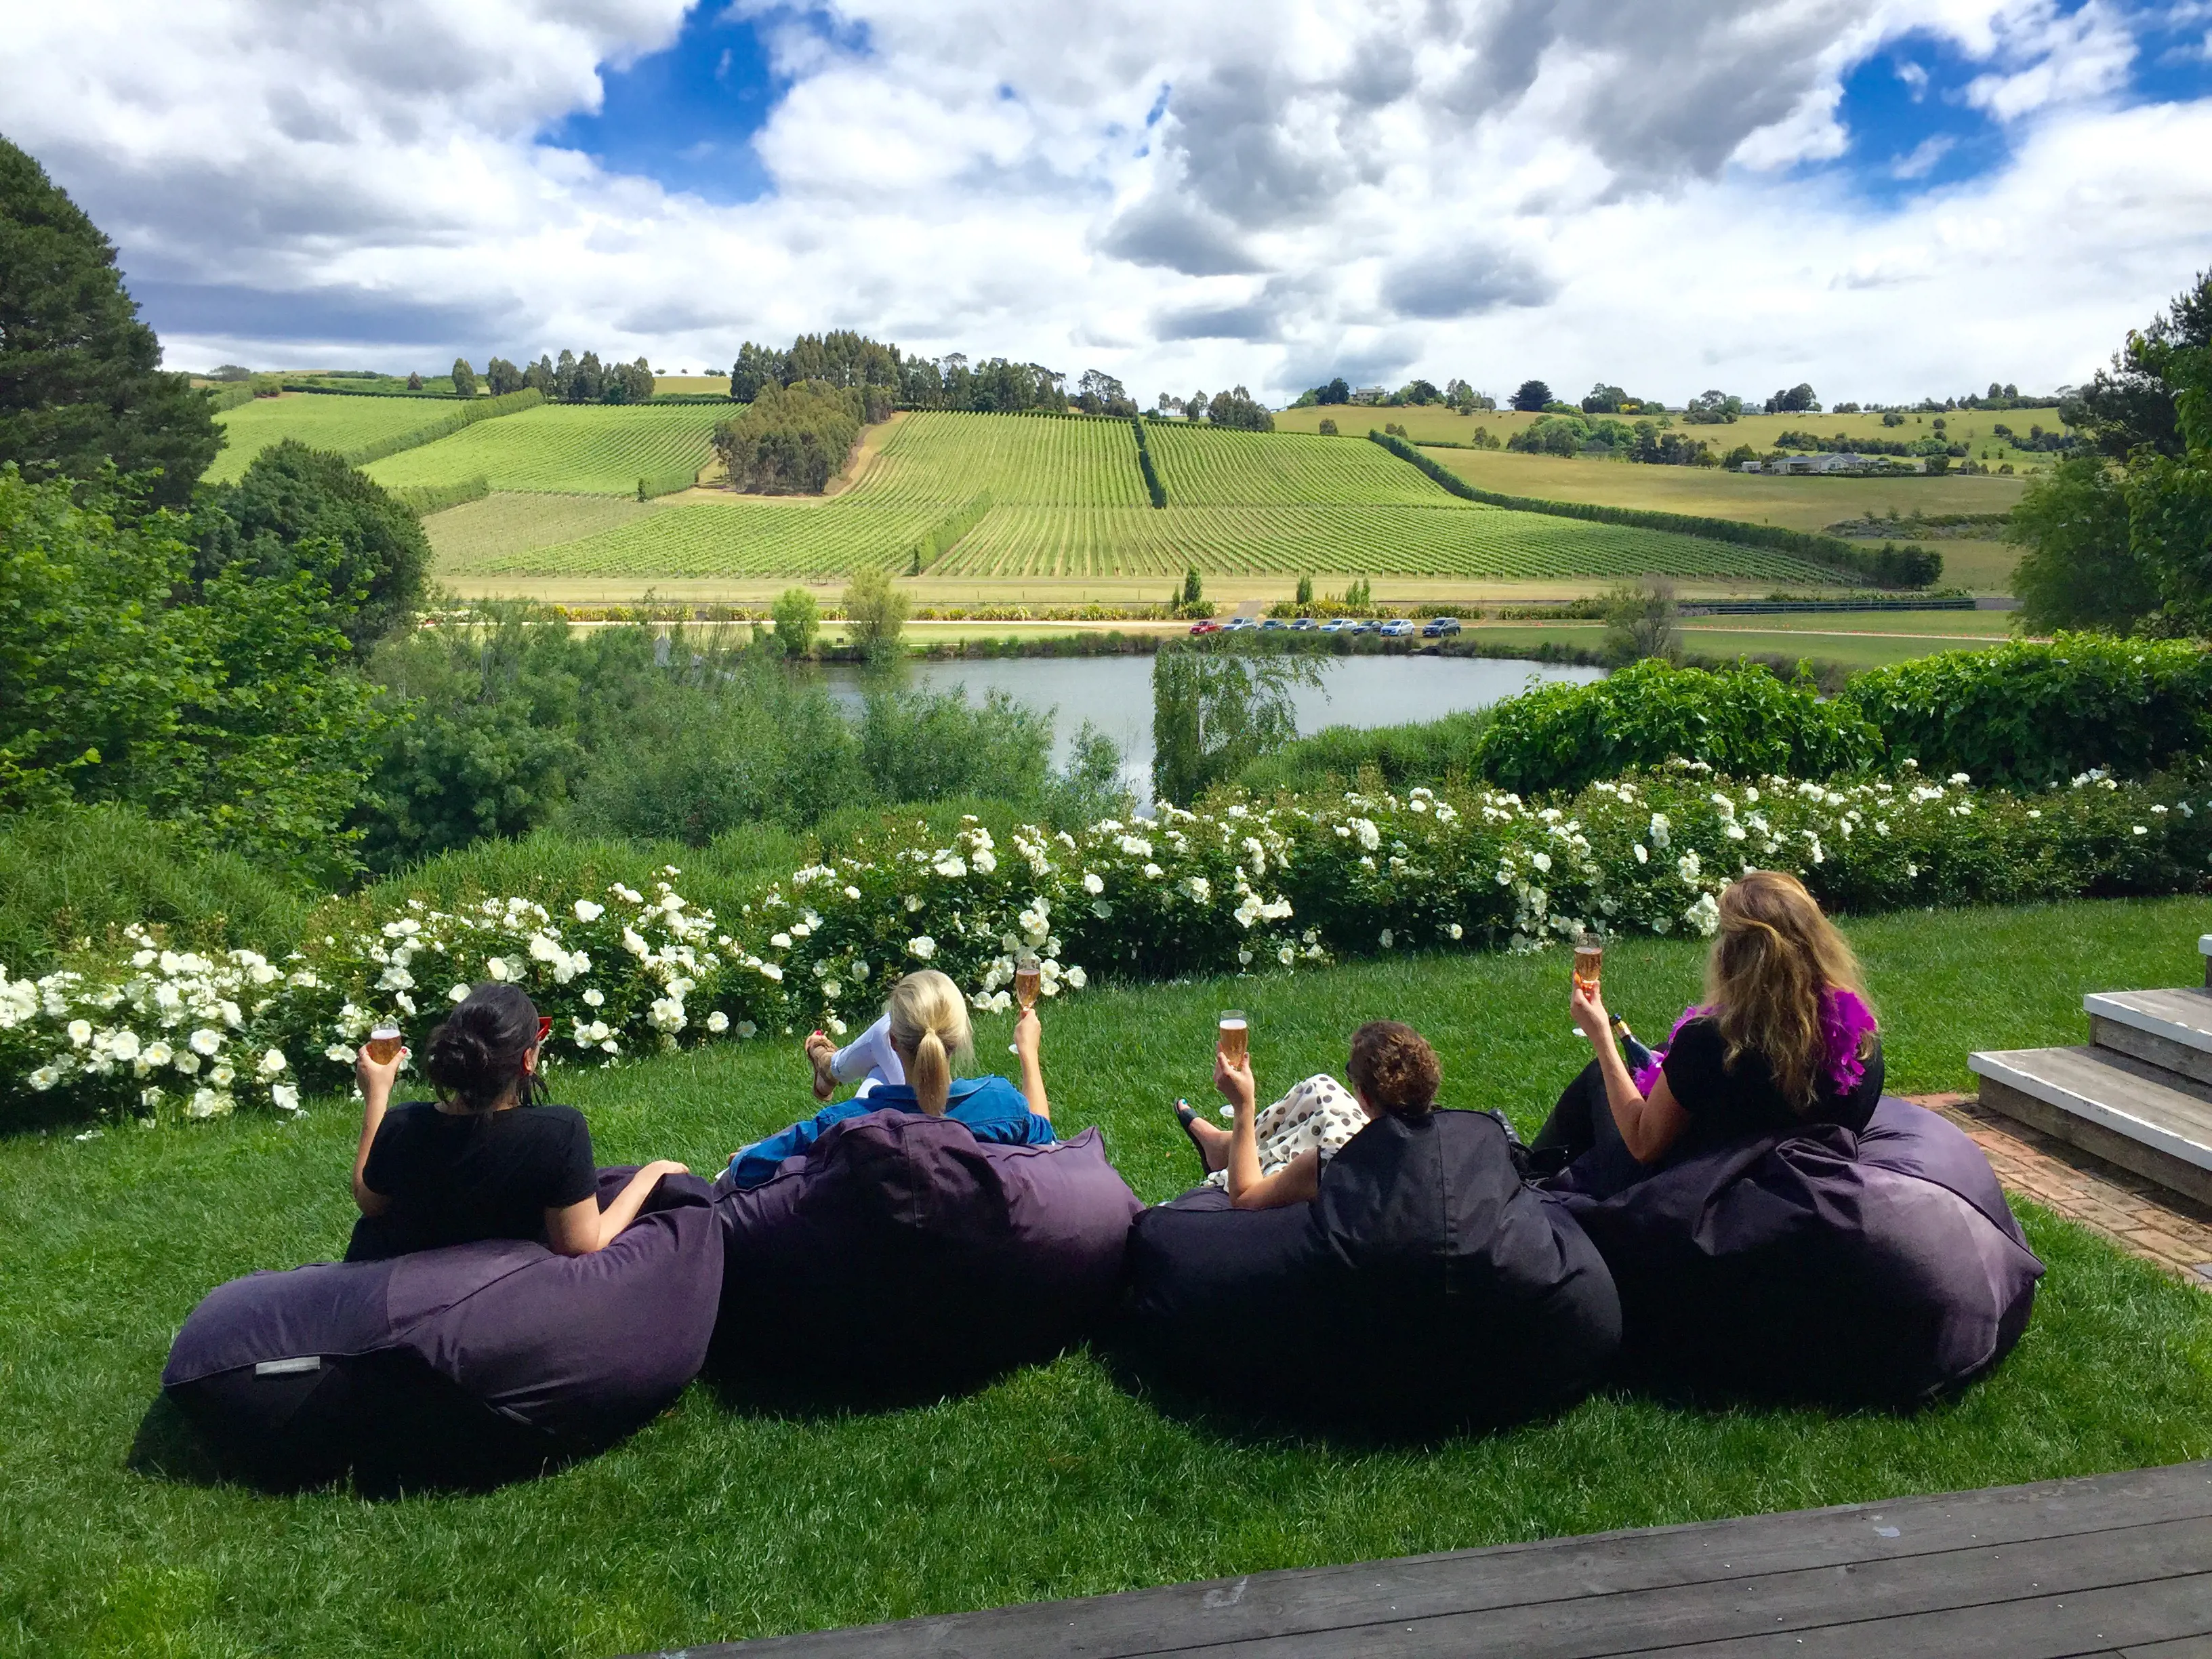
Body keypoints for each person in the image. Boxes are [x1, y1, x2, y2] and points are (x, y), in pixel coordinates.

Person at [1532, 869, 1883, 1197]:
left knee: (1602, 1075)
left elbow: (1643, 1145)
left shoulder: (1710, 1042)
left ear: (1737, 956)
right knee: (1658, 1053)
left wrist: (1601, 1037)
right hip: (1803, 1192)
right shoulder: (1861, 1037)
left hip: (1705, 1199)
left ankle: (1529, 1180)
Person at [346, 983, 689, 1262]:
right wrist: (650, 1177)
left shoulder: (404, 1124)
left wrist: (377, 1094)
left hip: (413, 1300)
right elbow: (582, 1244)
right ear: (527, 1059)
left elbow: (370, 1201)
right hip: (502, 1305)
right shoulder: (557, 1133)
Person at [722, 968, 1054, 1191]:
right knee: (882, 1078)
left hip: (875, 1273)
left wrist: (748, 1154)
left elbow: (747, 1169)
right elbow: (1046, 1141)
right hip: (973, 1267)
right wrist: (1029, 1052)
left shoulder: (844, 1123)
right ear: (962, 1034)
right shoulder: (1001, 1104)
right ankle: (832, 1066)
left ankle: (831, 1066)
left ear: (893, 1042)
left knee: (882, 1080)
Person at [1179, 1020, 1441, 1210]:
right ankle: (1227, 1146)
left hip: (1351, 1157)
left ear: (1366, 1098)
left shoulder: (1334, 1164)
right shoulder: (1451, 1138)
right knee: (1319, 1088)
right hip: (1386, 1140)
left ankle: (1238, 1146)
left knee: (1296, 1144)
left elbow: (1245, 1198)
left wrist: (1243, 1107)